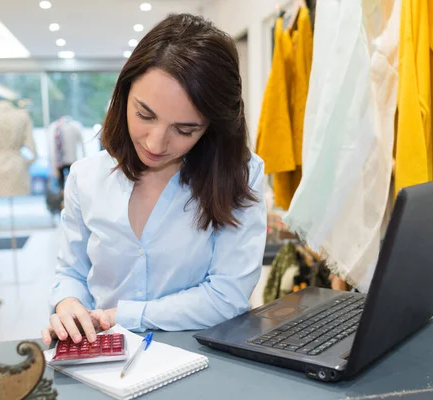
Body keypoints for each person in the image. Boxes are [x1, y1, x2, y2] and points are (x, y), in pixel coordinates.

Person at [41, 13, 267, 346]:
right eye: (145, 115)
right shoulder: (86, 177)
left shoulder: (239, 175)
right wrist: (68, 304)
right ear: (124, 93)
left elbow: (227, 295)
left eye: (185, 130)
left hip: (204, 366)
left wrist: (126, 315)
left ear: (213, 127)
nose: (155, 143)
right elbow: (72, 272)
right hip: (106, 362)